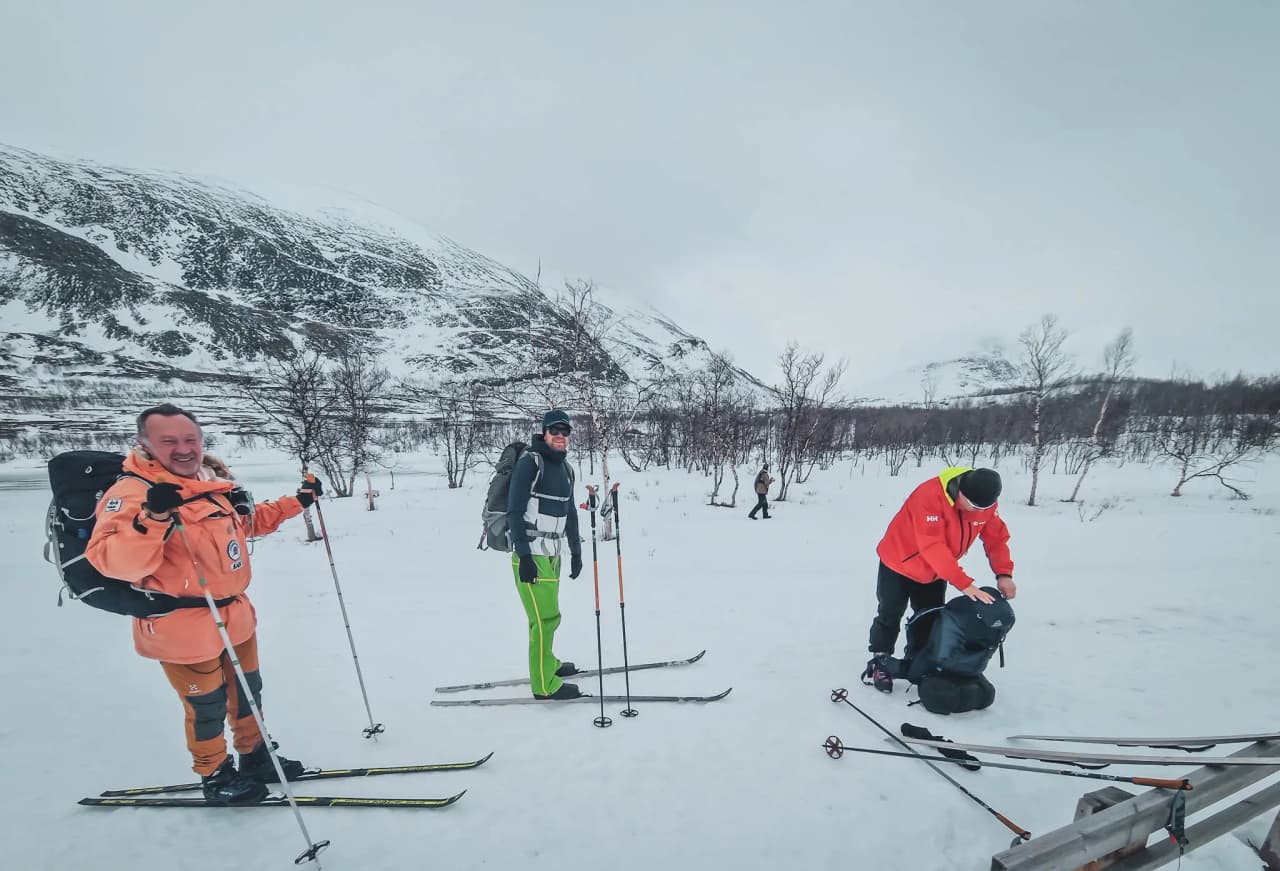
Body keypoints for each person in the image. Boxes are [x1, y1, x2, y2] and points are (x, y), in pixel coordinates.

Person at [85, 403, 321, 804]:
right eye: (168, 441)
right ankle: (214, 774)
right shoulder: (131, 493)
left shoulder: (208, 484)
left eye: (190, 439)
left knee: (247, 692)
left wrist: (297, 502)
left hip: (234, 615)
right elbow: (115, 563)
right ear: (145, 443)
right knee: (206, 706)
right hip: (182, 625)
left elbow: (244, 524)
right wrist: (154, 517)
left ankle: (255, 756)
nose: (183, 448)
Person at [862, 467, 1016, 693]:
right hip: (898, 562)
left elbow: (996, 539)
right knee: (889, 613)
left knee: (929, 615)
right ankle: (881, 660)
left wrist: (1004, 573)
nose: (976, 512)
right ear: (961, 491)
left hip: (936, 570)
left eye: (982, 508)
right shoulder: (929, 496)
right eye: (972, 505)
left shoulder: (985, 505)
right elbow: (932, 546)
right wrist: (964, 583)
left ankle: (918, 661)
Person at [506, 409, 584, 699]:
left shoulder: (566, 469)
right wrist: (524, 556)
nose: (560, 436)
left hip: (553, 554)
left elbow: (570, 513)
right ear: (544, 432)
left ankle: (548, 663)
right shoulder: (530, 463)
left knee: (549, 615)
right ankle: (544, 686)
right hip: (532, 554)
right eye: (555, 431)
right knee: (544, 620)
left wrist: (576, 552)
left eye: (565, 431)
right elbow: (514, 512)